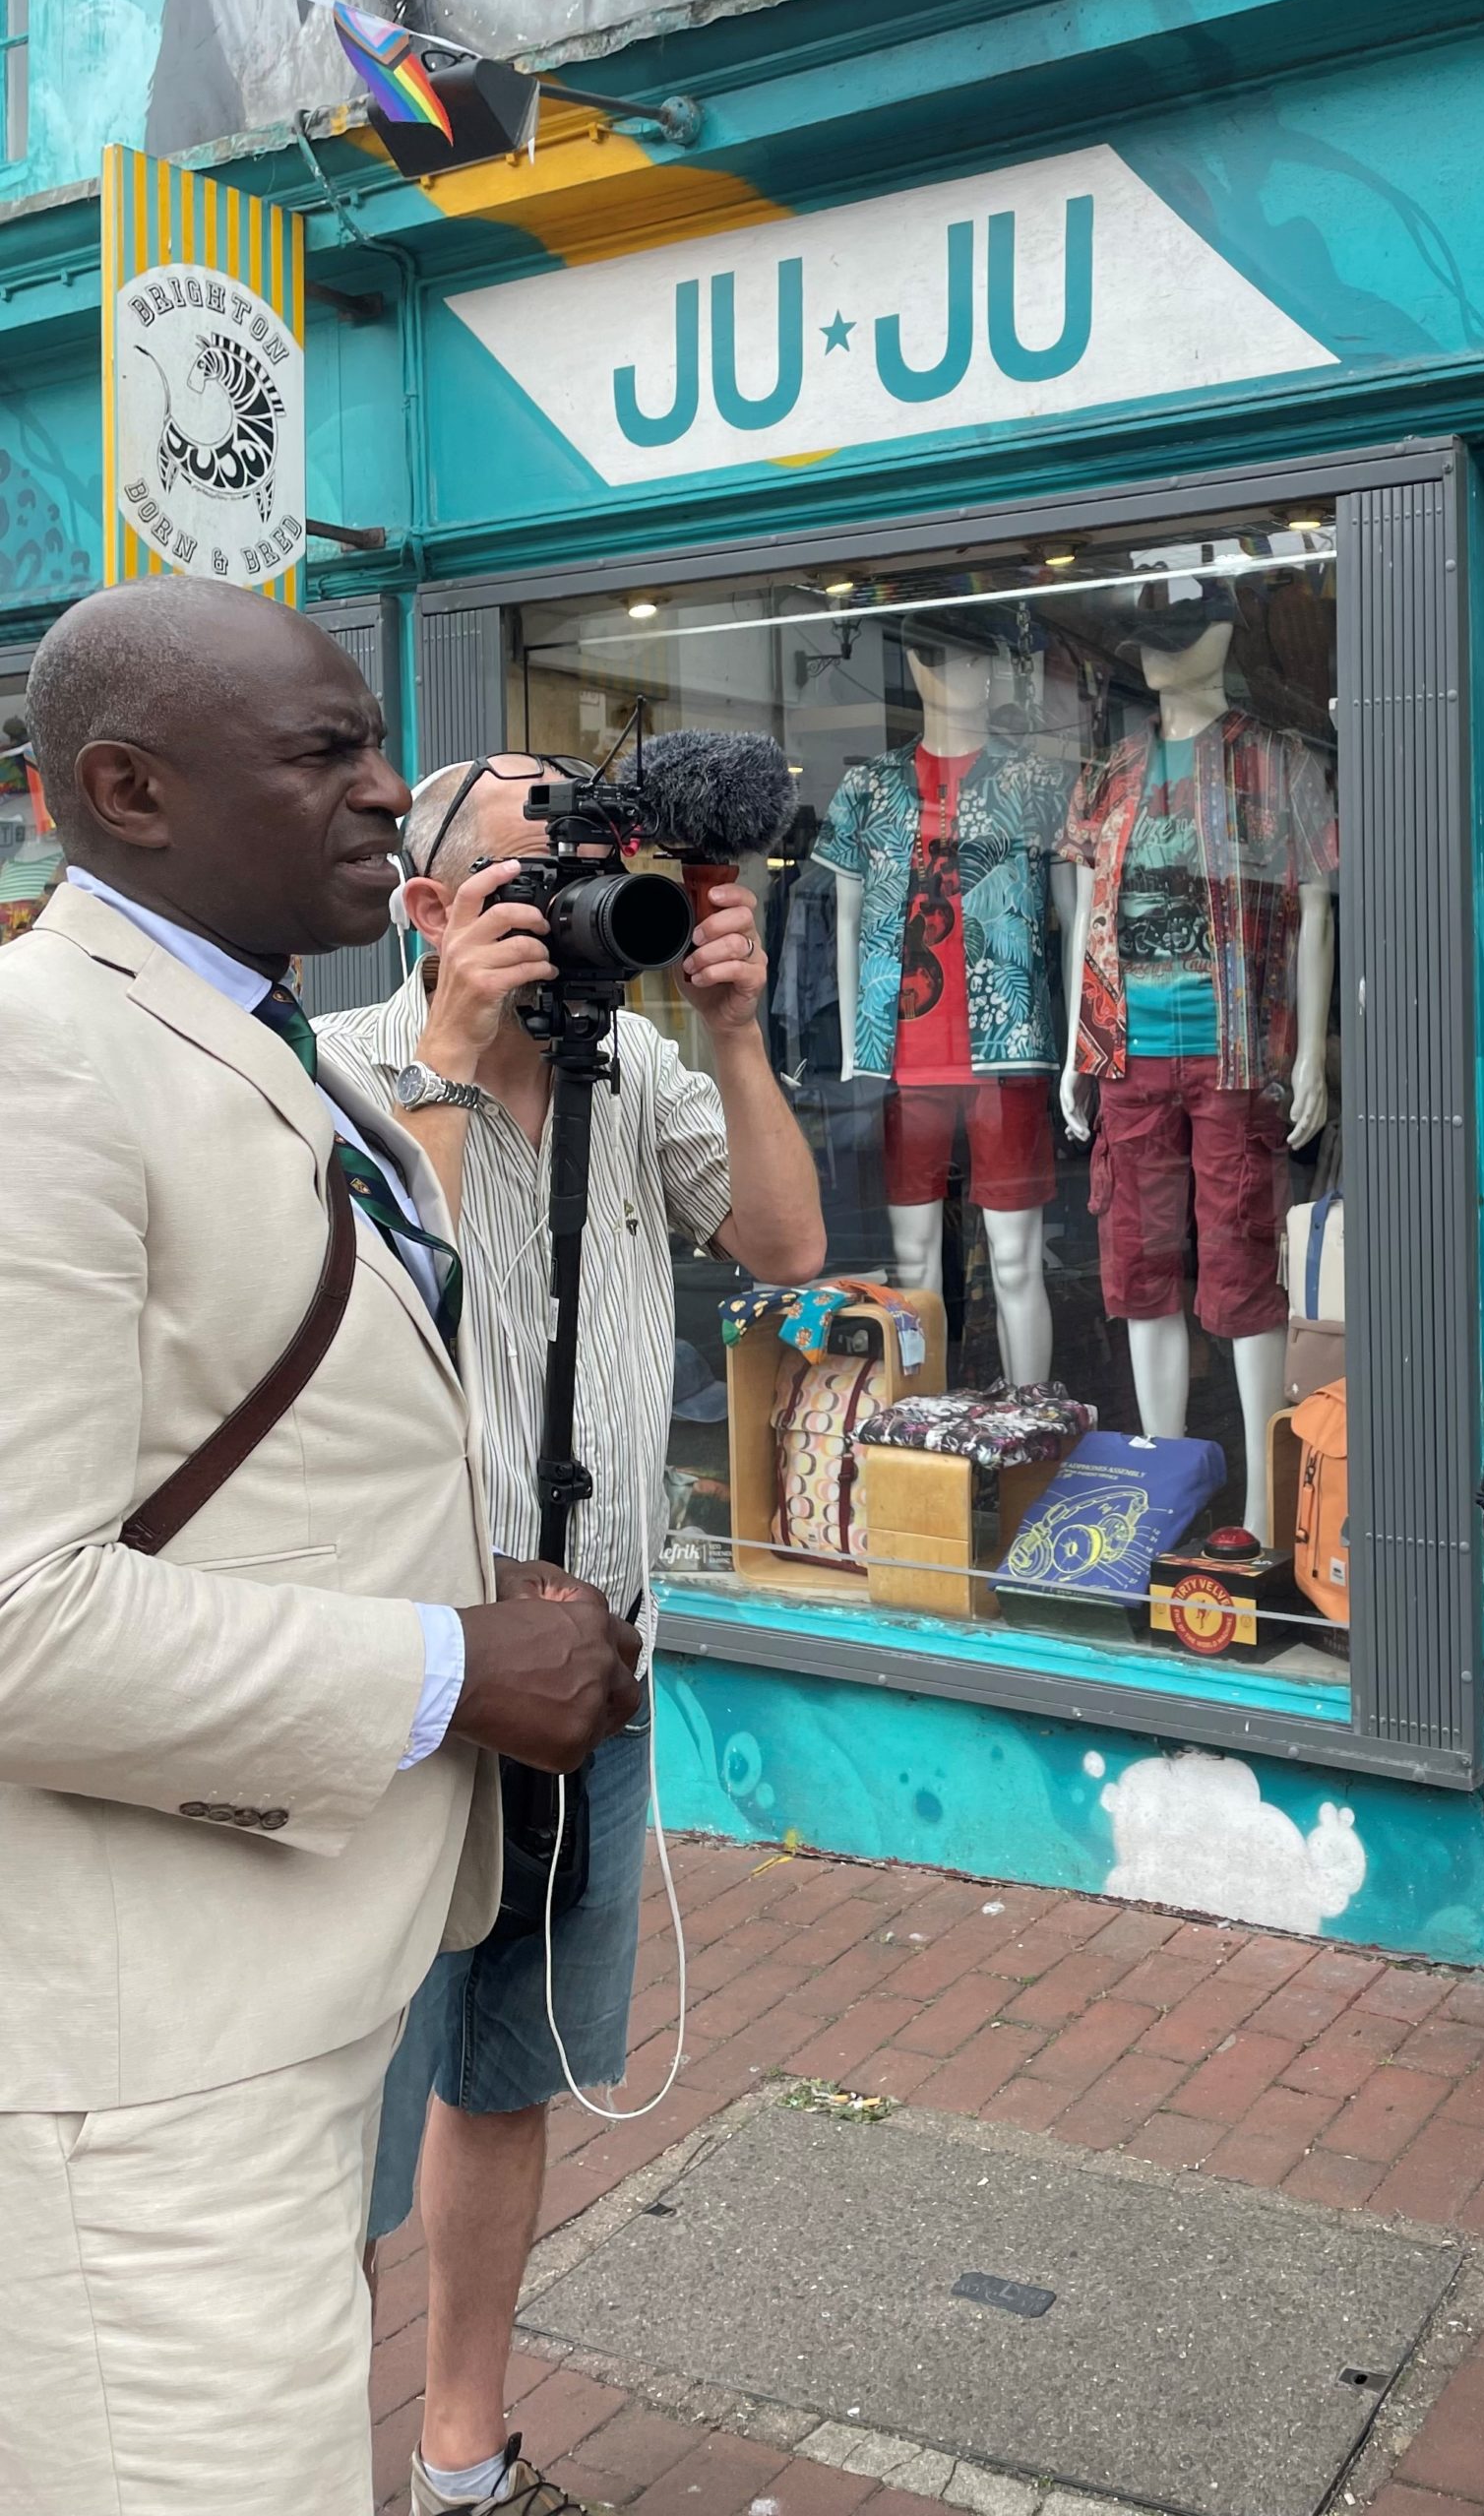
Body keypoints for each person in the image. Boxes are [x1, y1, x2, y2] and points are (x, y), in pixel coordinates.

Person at [0, 578, 643, 2516]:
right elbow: (17, 1612)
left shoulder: (257, 1035)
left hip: (274, 1996)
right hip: (141, 2076)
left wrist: (478, 1581)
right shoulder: (44, 1062)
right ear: (127, 787)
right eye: (327, 753)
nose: (389, 794)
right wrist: (454, 1665)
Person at [317, 753, 825, 2516]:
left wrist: (735, 1027)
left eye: (594, 875)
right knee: (337, 2108)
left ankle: (461, 2457)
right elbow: (393, 1314)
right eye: (542, 878)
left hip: (593, 1668)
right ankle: (297, 2458)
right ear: (433, 908)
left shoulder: (645, 1070)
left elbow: (783, 1239)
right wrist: (458, 1059)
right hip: (398, 1677)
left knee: (506, 2069)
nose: (577, 911)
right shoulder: (337, 1080)